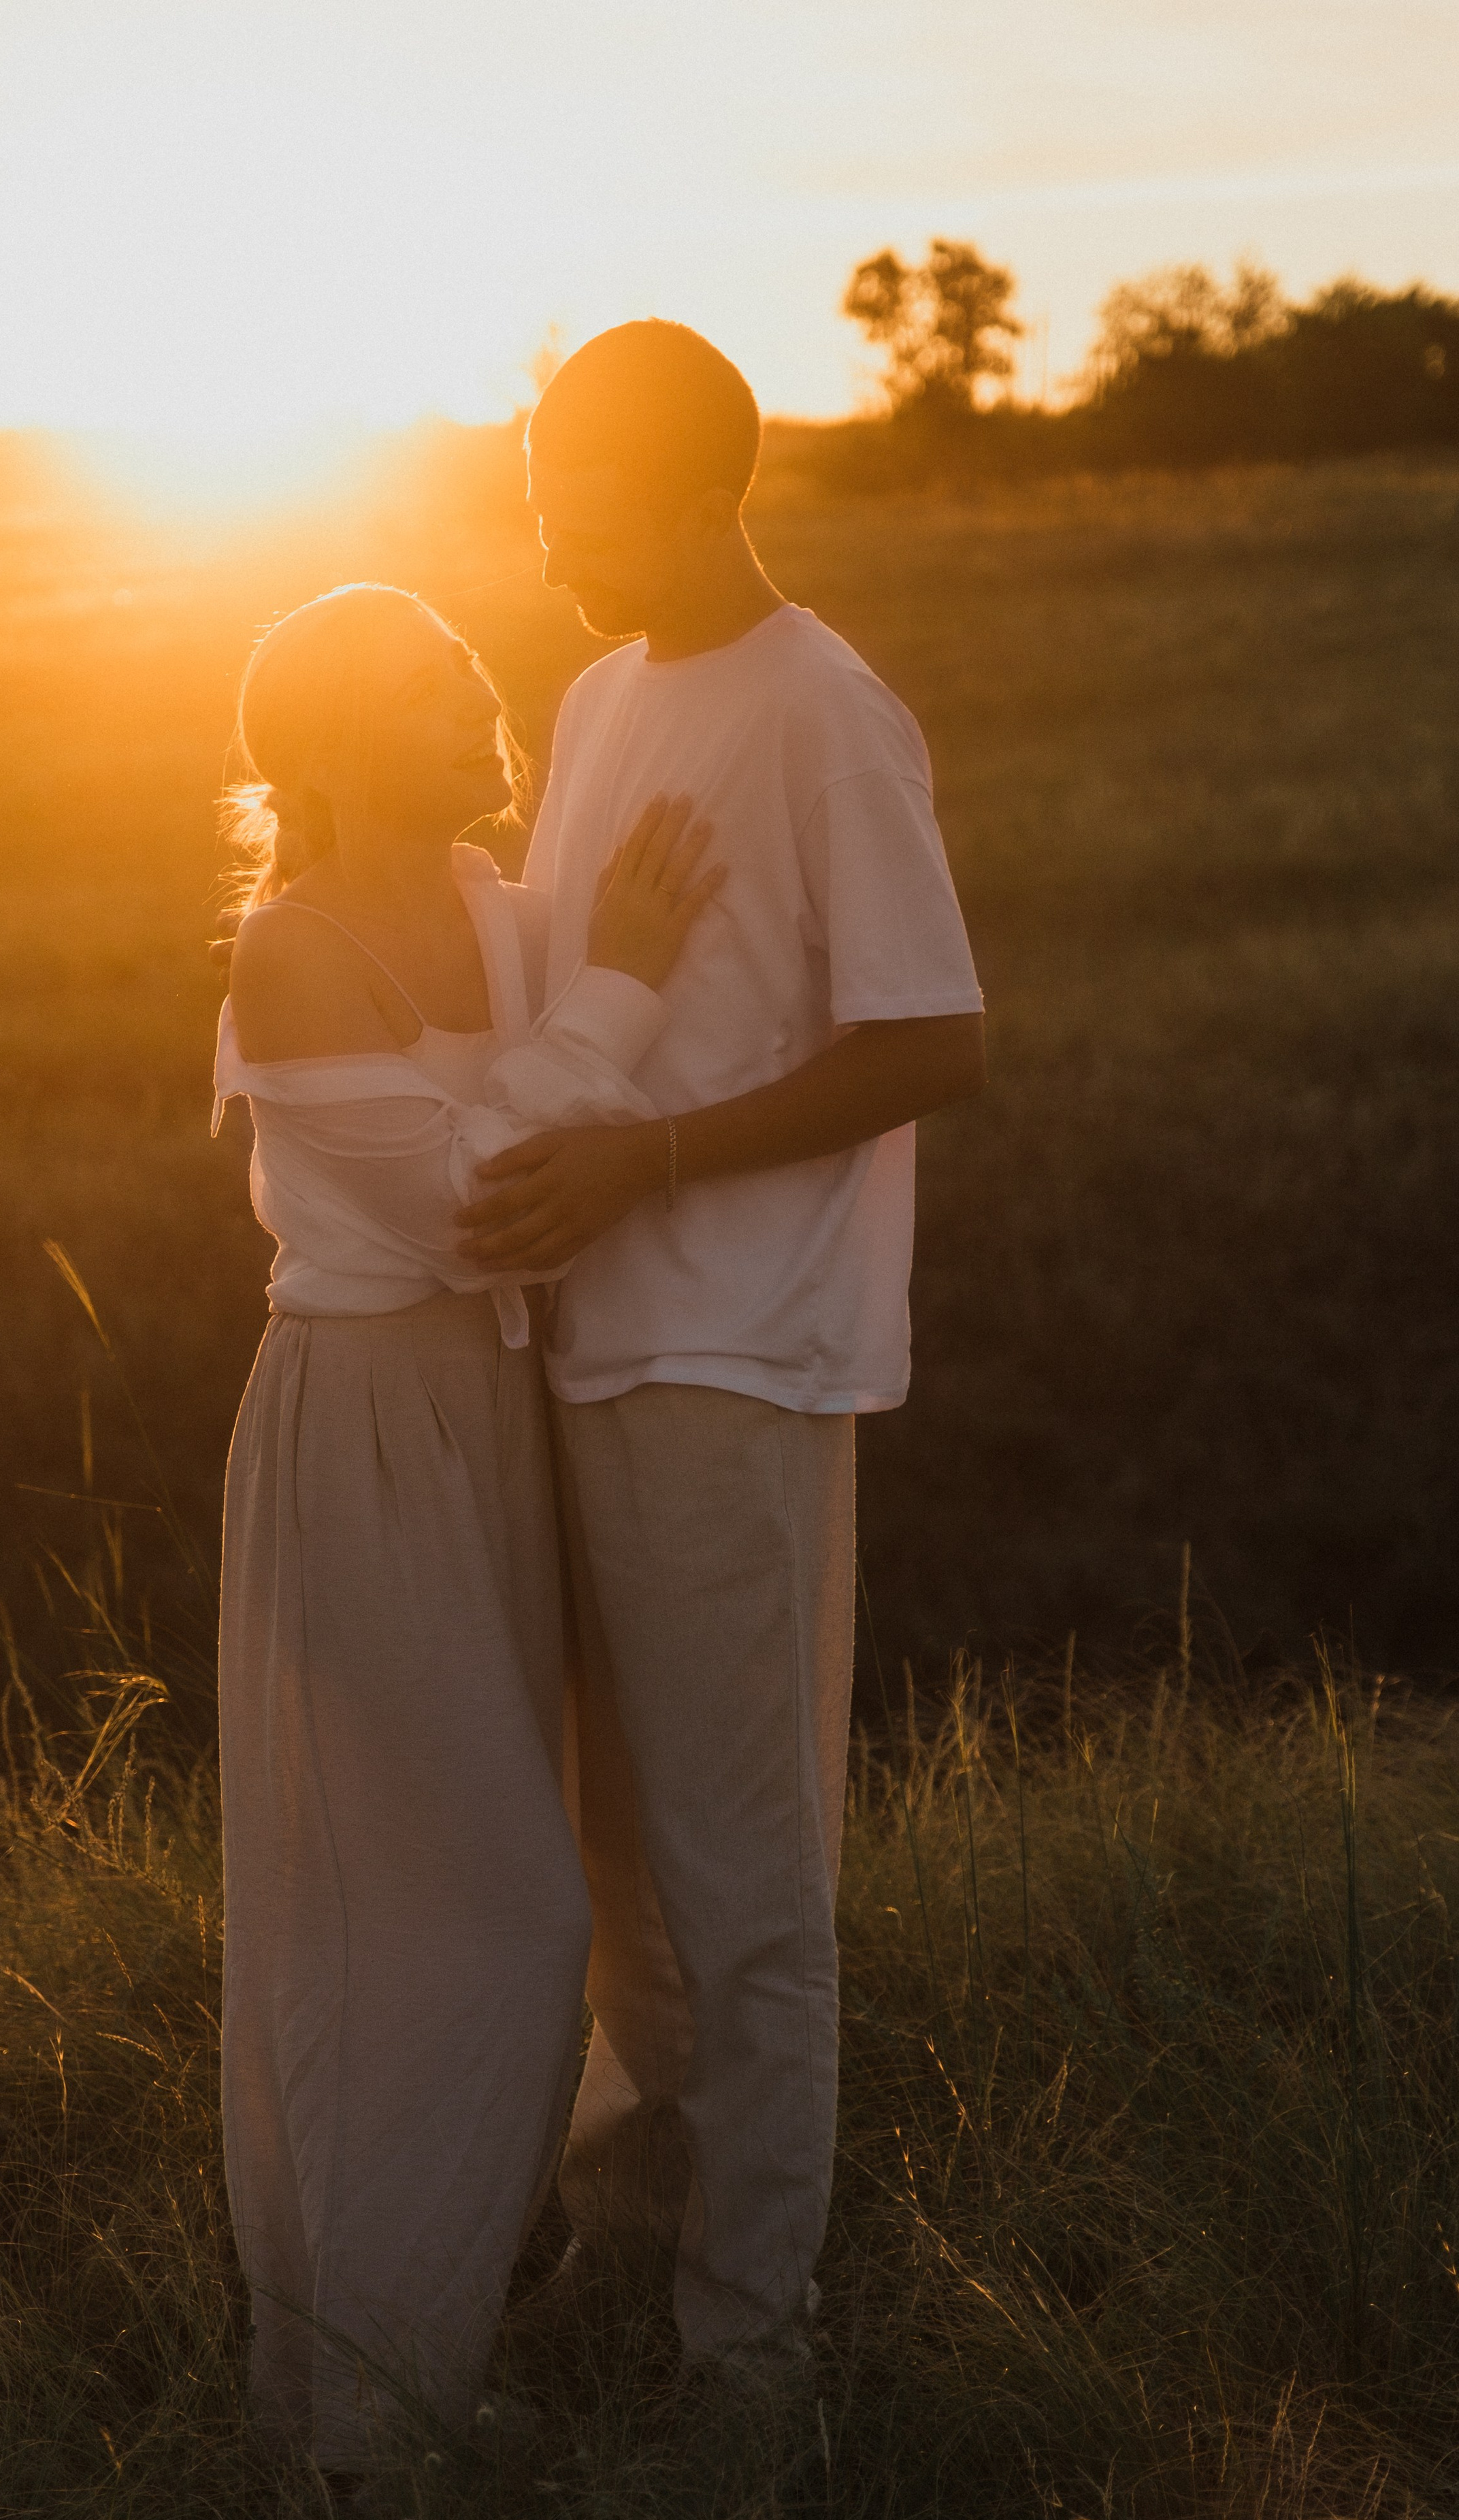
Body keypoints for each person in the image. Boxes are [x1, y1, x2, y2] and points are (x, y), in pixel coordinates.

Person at [455, 321, 987, 2400]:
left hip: (739, 1360)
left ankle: (753, 2362)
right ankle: (643, 2233)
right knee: (601, 1864)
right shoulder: (599, 697)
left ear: (704, 488)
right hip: (578, 1344)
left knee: (743, 1881)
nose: (551, 539)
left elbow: (938, 1035)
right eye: (531, 494)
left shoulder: (827, 714)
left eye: (579, 501)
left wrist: (645, 1161)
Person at [211, 581, 721, 2470]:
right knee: (461, 1913)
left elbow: (532, 1175)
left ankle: (464, 2339)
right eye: (436, 691)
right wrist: (620, 997)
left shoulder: (508, 924)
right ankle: (363, 2419)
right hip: (359, 1435)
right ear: (335, 739)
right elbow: (475, 1205)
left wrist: (575, 1022)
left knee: (538, 1889)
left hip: (508, 1426)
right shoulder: (291, 948)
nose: (484, 709)